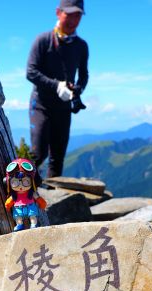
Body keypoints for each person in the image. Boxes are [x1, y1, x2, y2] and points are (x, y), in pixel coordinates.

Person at [26, 0, 89, 178]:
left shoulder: (81, 46)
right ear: (58, 12)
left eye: (78, 15)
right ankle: (23, 195)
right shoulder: (43, 40)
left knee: (58, 157)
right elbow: (31, 72)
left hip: (63, 106)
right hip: (41, 104)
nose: (73, 19)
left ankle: (53, 200)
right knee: (38, 155)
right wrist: (57, 86)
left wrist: (76, 90)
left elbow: (84, 75)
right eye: (69, 14)